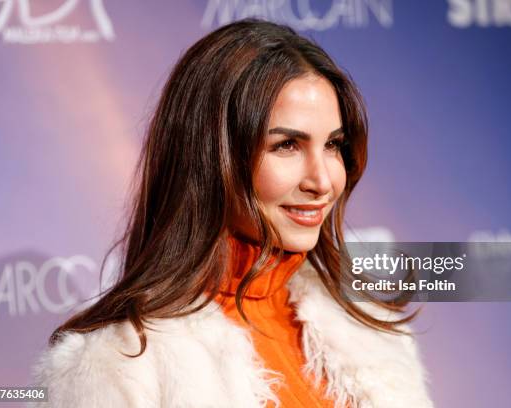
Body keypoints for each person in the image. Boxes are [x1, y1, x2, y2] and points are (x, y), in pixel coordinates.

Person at [31, 18, 433, 408]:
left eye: (333, 145)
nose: (323, 180)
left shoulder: (370, 329)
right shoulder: (116, 364)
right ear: (210, 156)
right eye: (287, 145)